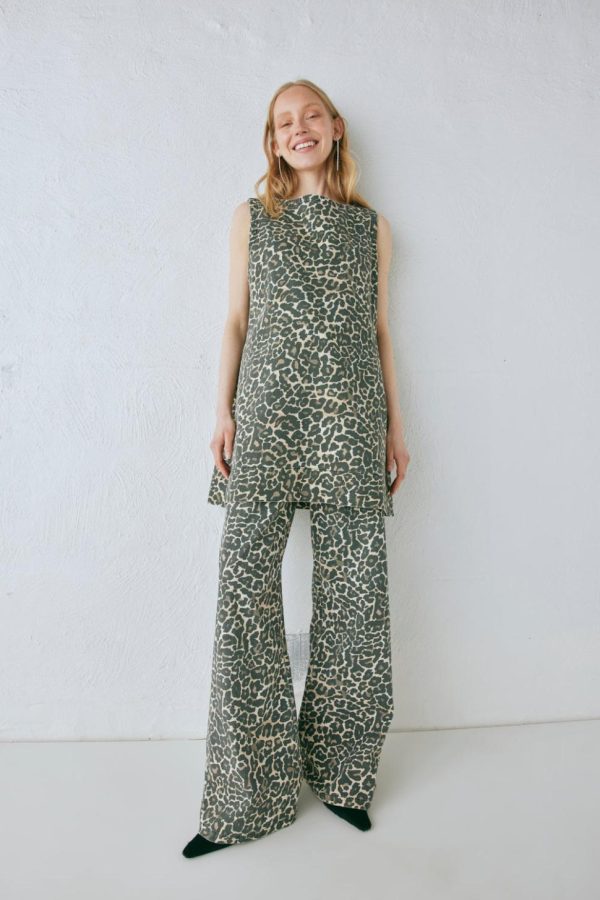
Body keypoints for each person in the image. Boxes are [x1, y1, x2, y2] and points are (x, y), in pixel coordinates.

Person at [183, 78, 410, 858]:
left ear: (335, 127)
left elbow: (380, 330)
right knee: (243, 595)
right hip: (268, 417)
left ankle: (344, 778)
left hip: (351, 419)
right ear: (273, 141)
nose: (299, 127)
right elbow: (236, 320)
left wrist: (396, 427)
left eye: (311, 114)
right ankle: (246, 798)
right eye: (284, 121)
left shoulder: (373, 229)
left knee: (357, 602)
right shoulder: (252, 218)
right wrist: (222, 412)